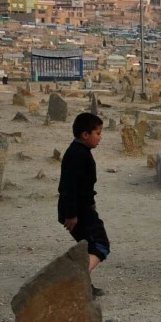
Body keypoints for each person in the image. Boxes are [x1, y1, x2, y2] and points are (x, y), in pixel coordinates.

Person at [58, 112, 109, 297]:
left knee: (88, 247)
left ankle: (84, 285)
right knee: (101, 246)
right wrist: (71, 214)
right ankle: (75, 282)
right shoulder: (78, 155)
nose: (100, 138)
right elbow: (68, 187)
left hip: (83, 208)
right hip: (77, 210)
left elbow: (85, 186)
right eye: (98, 133)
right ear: (85, 135)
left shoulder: (80, 152)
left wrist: (92, 203)